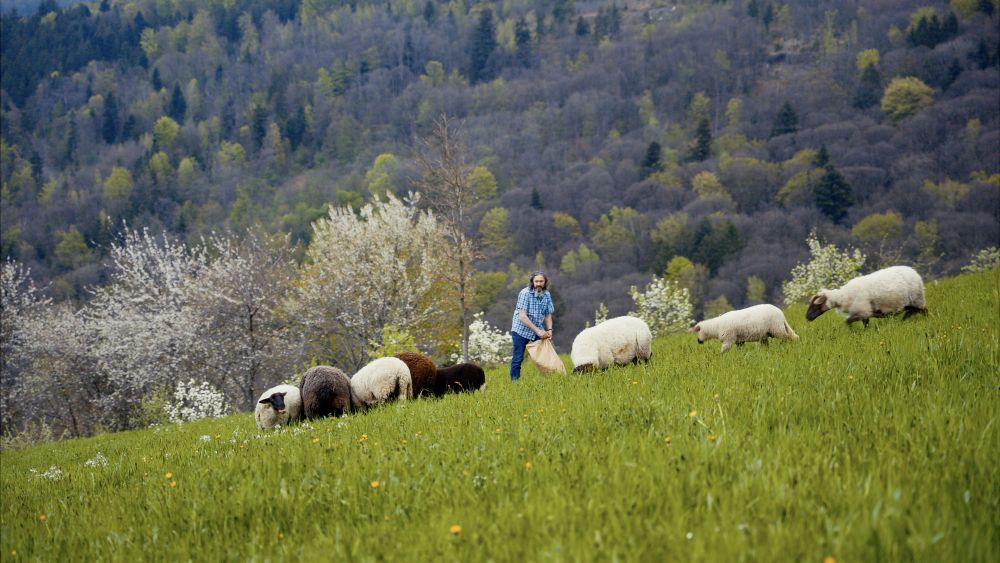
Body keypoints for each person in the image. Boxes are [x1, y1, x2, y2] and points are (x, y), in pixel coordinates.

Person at [509, 271, 554, 382]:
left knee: (546, 353)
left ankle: (551, 379)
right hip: (521, 329)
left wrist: (549, 330)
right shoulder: (525, 293)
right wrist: (538, 332)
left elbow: (548, 315)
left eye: (541, 281)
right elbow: (523, 317)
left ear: (545, 282)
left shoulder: (547, 295)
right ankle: (515, 384)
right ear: (532, 282)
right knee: (518, 358)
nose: (539, 283)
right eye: (536, 281)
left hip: (537, 328)